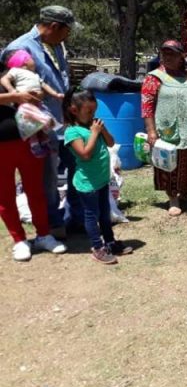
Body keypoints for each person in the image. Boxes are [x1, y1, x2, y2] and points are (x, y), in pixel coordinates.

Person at [3, 5, 80, 237]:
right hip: (42, 126)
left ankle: (73, 218)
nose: (68, 35)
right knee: (48, 179)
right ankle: (53, 225)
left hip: (65, 122)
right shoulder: (20, 48)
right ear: (54, 26)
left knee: (79, 168)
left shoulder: (55, 45)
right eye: (66, 31)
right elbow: (13, 90)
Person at [0, 52, 67, 262]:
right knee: (5, 195)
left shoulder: (13, 71)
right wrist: (14, 97)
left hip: (29, 141)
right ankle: (19, 240)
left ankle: (44, 235)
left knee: (36, 190)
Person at [63, 88, 133, 264]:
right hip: (87, 184)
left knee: (105, 213)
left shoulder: (94, 126)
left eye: (94, 111)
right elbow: (85, 154)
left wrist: (103, 130)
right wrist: (94, 133)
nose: (93, 115)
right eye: (88, 111)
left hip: (101, 180)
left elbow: (111, 143)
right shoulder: (72, 132)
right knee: (91, 216)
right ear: (74, 110)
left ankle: (109, 242)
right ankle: (97, 247)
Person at [141, 40, 187, 216]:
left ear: (181, 56)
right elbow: (146, 106)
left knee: (186, 161)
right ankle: (173, 198)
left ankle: (184, 192)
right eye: (165, 53)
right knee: (169, 164)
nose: (167, 57)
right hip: (166, 129)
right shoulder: (153, 77)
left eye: (172, 54)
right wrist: (151, 131)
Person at [0, 49, 62, 157]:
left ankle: (42, 143)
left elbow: (43, 87)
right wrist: (13, 93)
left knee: (35, 127)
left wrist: (53, 94)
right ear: (24, 61)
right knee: (40, 123)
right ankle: (41, 137)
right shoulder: (15, 71)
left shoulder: (34, 75)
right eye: (31, 58)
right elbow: (5, 81)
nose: (34, 61)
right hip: (24, 108)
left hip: (35, 106)